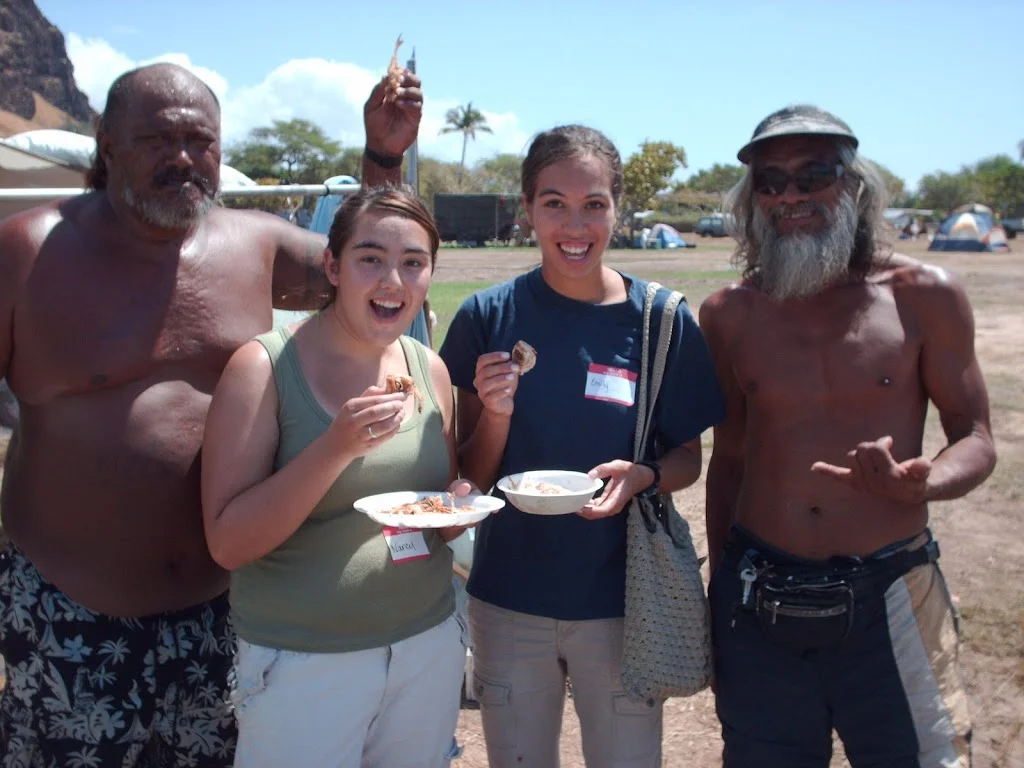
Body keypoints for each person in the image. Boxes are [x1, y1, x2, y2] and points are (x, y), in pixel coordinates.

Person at [0, 61, 421, 767]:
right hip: (66, 609)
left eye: (202, 141)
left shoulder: (253, 243)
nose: (184, 159)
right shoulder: (28, 252)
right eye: (158, 139)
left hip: (226, 609)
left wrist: (382, 155)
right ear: (107, 145)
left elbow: (367, 264)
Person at [700, 104, 996, 767]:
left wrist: (926, 479)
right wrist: (722, 596)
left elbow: (974, 436)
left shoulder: (924, 294)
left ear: (854, 186)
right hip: (760, 594)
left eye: (814, 175)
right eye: (771, 182)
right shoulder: (730, 314)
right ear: (753, 200)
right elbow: (732, 460)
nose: (791, 196)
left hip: (891, 590)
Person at [439, 125, 725, 768]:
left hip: (622, 602)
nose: (576, 223)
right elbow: (470, 477)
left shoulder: (661, 320)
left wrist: (643, 476)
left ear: (617, 209)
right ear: (527, 211)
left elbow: (688, 457)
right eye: (554, 203)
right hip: (509, 597)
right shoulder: (488, 316)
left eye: (594, 203)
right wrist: (495, 414)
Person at [201, 186, 470, 767]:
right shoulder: (263, 367)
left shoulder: (430, 370)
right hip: (302, 661)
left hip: (426, 644)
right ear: (333, 265)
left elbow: (437, 512)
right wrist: (334, 449)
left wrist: (459, 505)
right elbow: (228, 542)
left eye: (413, 263)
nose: (393, 281)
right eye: (370, 258)